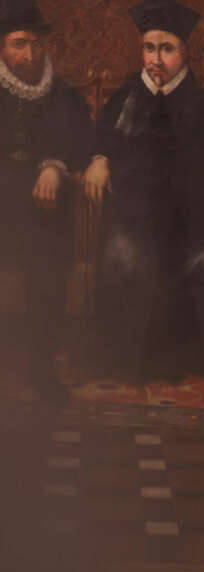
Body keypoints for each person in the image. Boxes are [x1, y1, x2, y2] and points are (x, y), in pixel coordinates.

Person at [83, 0, 204, 382]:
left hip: (188, 217)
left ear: (183, 52)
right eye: (149, 49)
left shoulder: (200, 104)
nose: (156, 60)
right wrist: (100, 157)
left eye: (166, 49)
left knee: (199, 260)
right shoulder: (126, 97)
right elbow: (102, 139)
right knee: (124, 256)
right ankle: (124, 363)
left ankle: (179, 361)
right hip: (133, 212)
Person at [0, 0, 92, 403]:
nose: (29, 55)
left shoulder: (62, 94)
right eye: (19, 44)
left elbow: (80, 139)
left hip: (42, 206)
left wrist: (55, 165)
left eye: (36, 45)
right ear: (3, 47)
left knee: (49, 260)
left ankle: (41, 368)